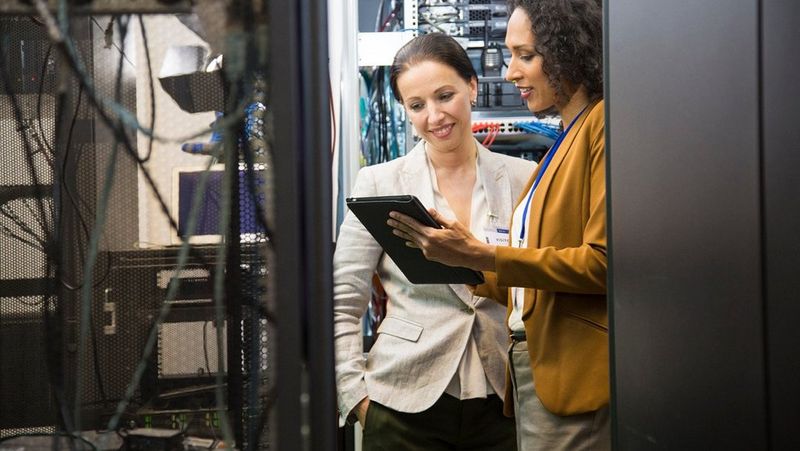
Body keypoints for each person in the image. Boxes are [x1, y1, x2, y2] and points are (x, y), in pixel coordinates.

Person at [388, 1, 608, 449]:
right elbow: (529, 286)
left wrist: (479, 254)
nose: (509, 73)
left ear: (569, 50)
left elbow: (604, 264)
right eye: (510, 56)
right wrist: (463, 259)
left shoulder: (600, 126)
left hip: (570, 374)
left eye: (525, 55)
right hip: (532, 373)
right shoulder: (562, 145)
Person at [333, 33, 535, 450]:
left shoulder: (522, 178)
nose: (435, 116)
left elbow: (536, 286)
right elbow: (342, 300)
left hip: (504, 402)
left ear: (472, 86)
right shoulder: (379, 182)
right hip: (402, 403)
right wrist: (355, 396)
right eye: (417, 105)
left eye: (446, 96)